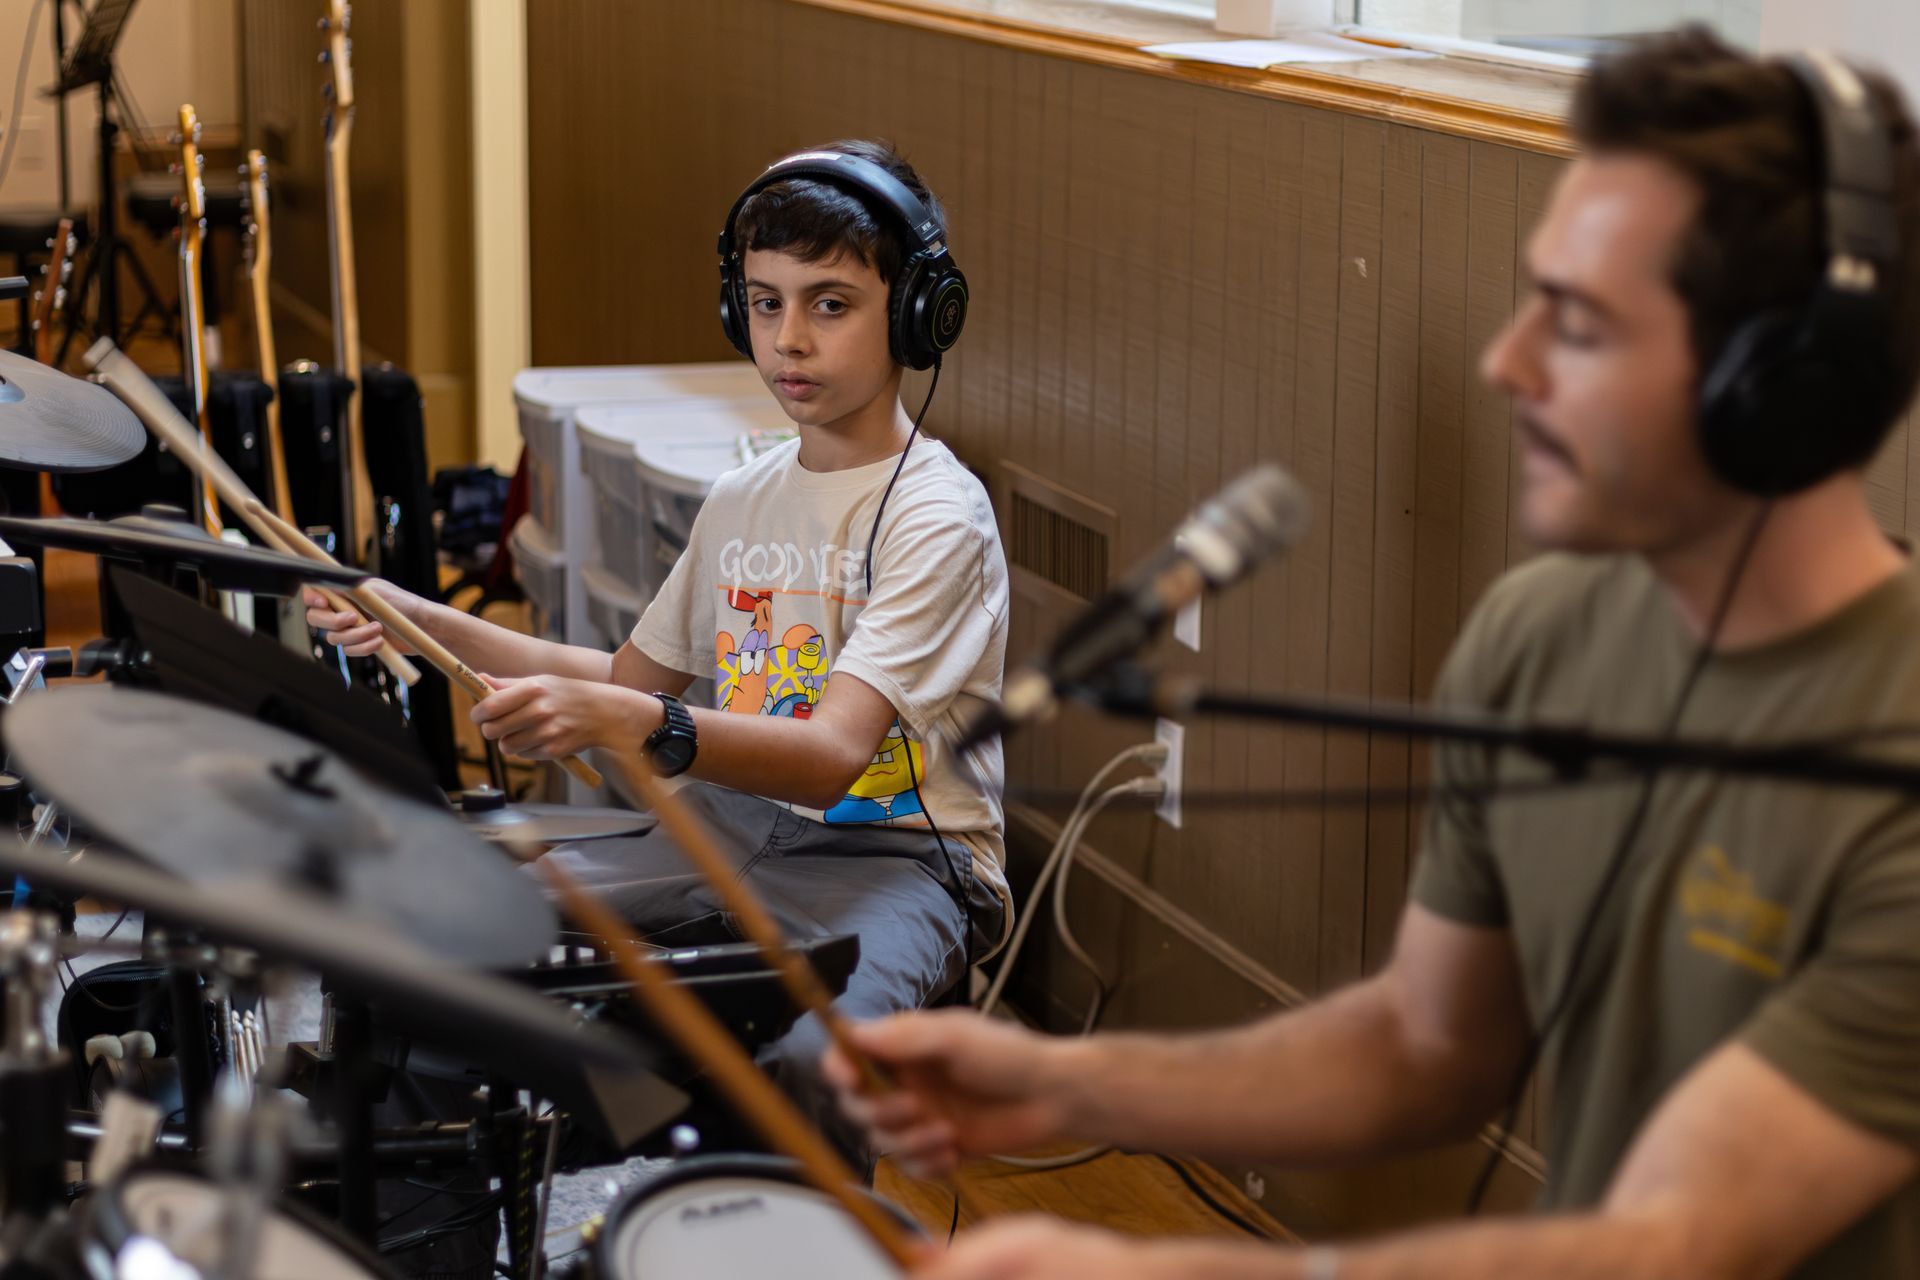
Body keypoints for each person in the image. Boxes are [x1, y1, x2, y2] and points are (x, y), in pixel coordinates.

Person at [825, 30, 1920, 1278]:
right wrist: (1072, 1083)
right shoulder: (1547, 630)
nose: (1509, 366)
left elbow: (1675, 1242)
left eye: (1577, 323)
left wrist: (1169, 1269)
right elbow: (1428, 1042)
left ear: (1769, 385)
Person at [308, 139, 1011, 1171]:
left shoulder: (936, 515)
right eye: (764, 304)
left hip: (900, 858)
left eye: (830, 304)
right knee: (434, 934)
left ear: (917, 311)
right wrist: (421, 616)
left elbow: (830, 754)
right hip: (728, 822)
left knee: (816, 1064)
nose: (790, 341)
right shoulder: (745, 496)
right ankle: (450, 1219)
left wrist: (649, 727)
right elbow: (632, 680)